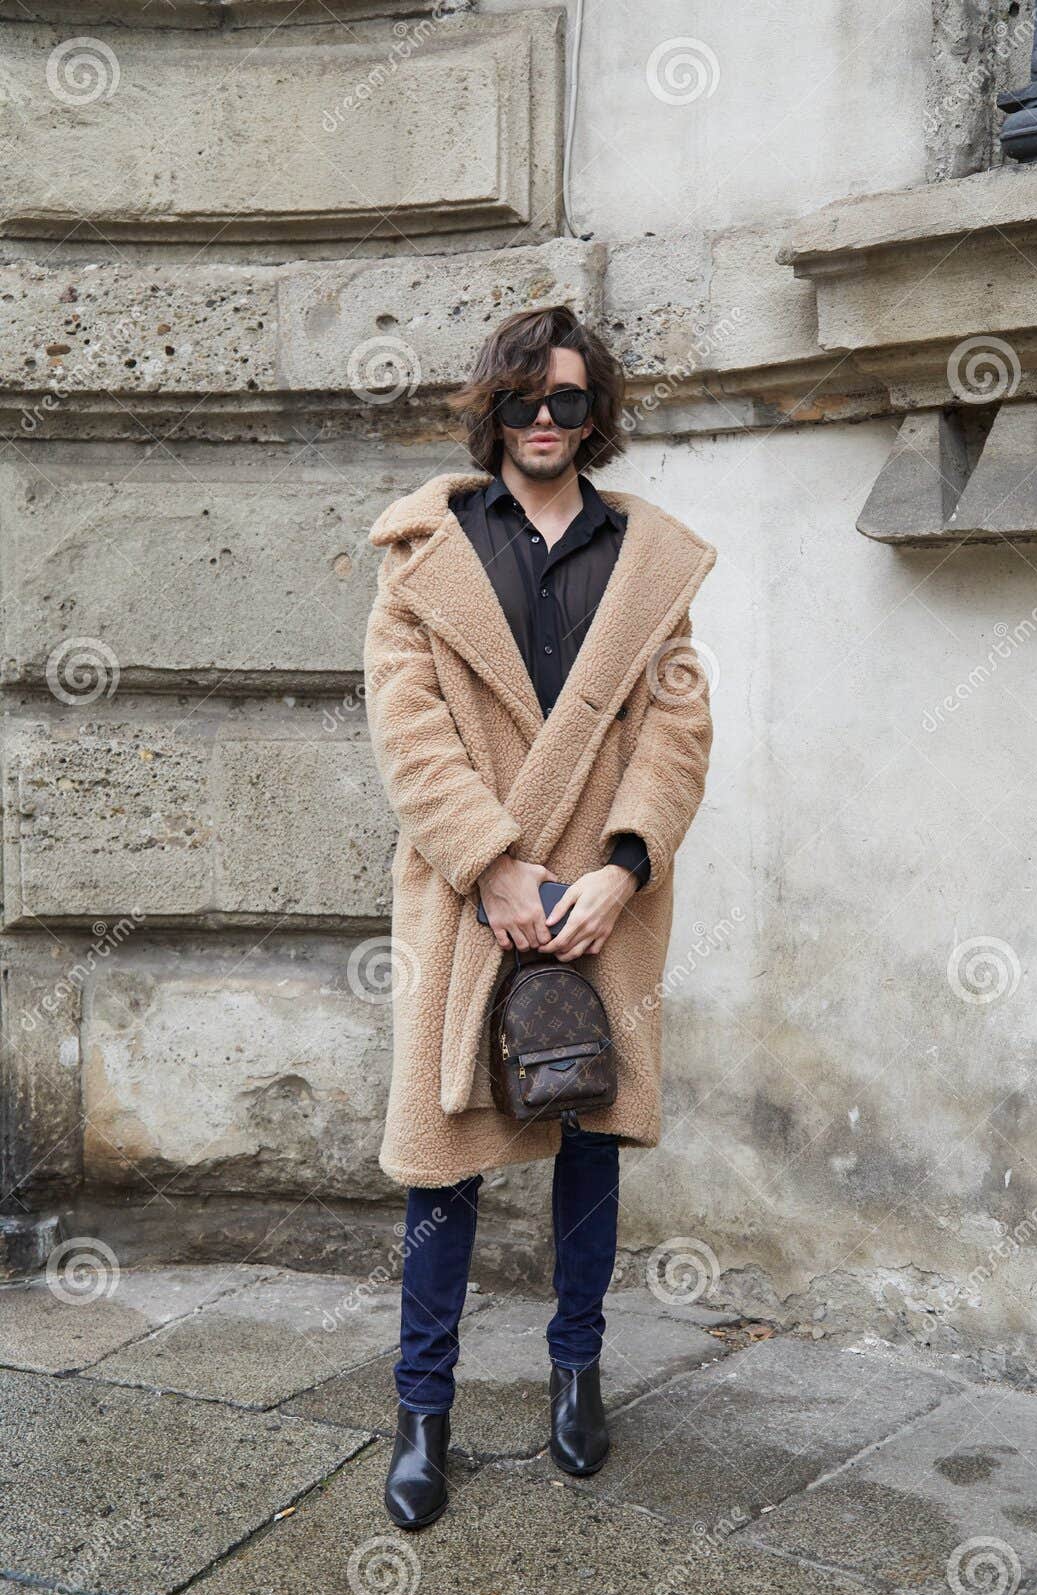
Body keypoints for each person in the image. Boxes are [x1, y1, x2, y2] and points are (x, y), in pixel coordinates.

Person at [363, 304, 716, 1529]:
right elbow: (407, 736)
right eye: (526, 400)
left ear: (593, 411)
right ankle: (423, 1410)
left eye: (569, 400)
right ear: (494, 407)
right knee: (441, 1157)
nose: (548, 422)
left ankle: (576, 1372)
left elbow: (675, 729)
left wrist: (623, 868)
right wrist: (495, 867)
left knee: (590, 1138)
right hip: (474, 898)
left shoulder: (644, 556)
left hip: (598, 901)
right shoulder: (425, 549)